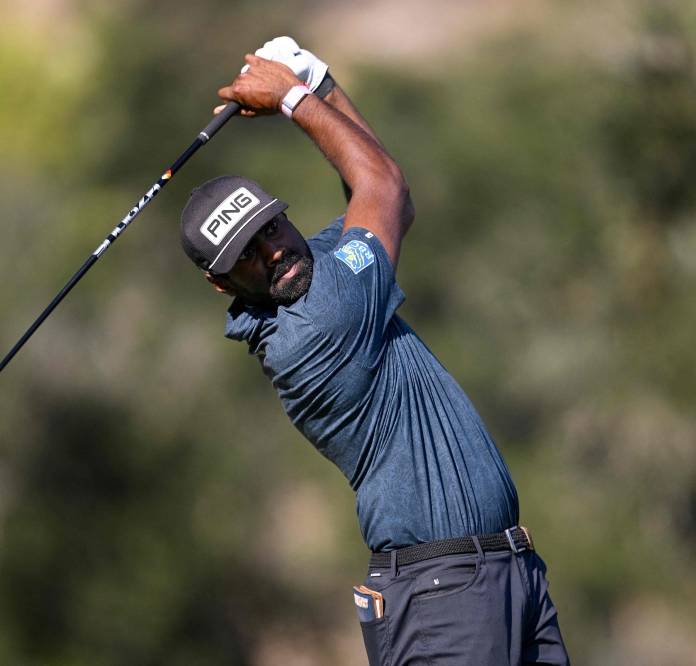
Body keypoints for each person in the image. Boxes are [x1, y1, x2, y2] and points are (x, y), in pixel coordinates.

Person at [178, 37, 570, 666]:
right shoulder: (315, 323)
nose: (272, 251)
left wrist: (320, 85)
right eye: (246, 254)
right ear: (223, 284)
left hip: (503, 574)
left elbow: (393, 201)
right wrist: (294, 96)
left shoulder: (321, 269)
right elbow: (381, 185)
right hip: (444, 595)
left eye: (269, 228)